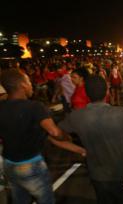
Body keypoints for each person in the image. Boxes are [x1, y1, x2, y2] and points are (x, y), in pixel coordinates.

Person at [58, 75, 123, 204]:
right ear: (107, 92)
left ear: (87, 95)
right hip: (121, 173)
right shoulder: (121, 113)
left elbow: (53, 135)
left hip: (98, 176)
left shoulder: (76, 116)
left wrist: (78, 149)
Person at [0, 69, 85, 204]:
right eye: (28, 81)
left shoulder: (2, 106)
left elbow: (47, 137)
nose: (31, 84)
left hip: (9, 164)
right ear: (22, 85)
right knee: (46, 200)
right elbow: (54, 133)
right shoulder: (34, 107)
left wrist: (79, 150)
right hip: (30, 164)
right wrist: (67, 136)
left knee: (20, 200)